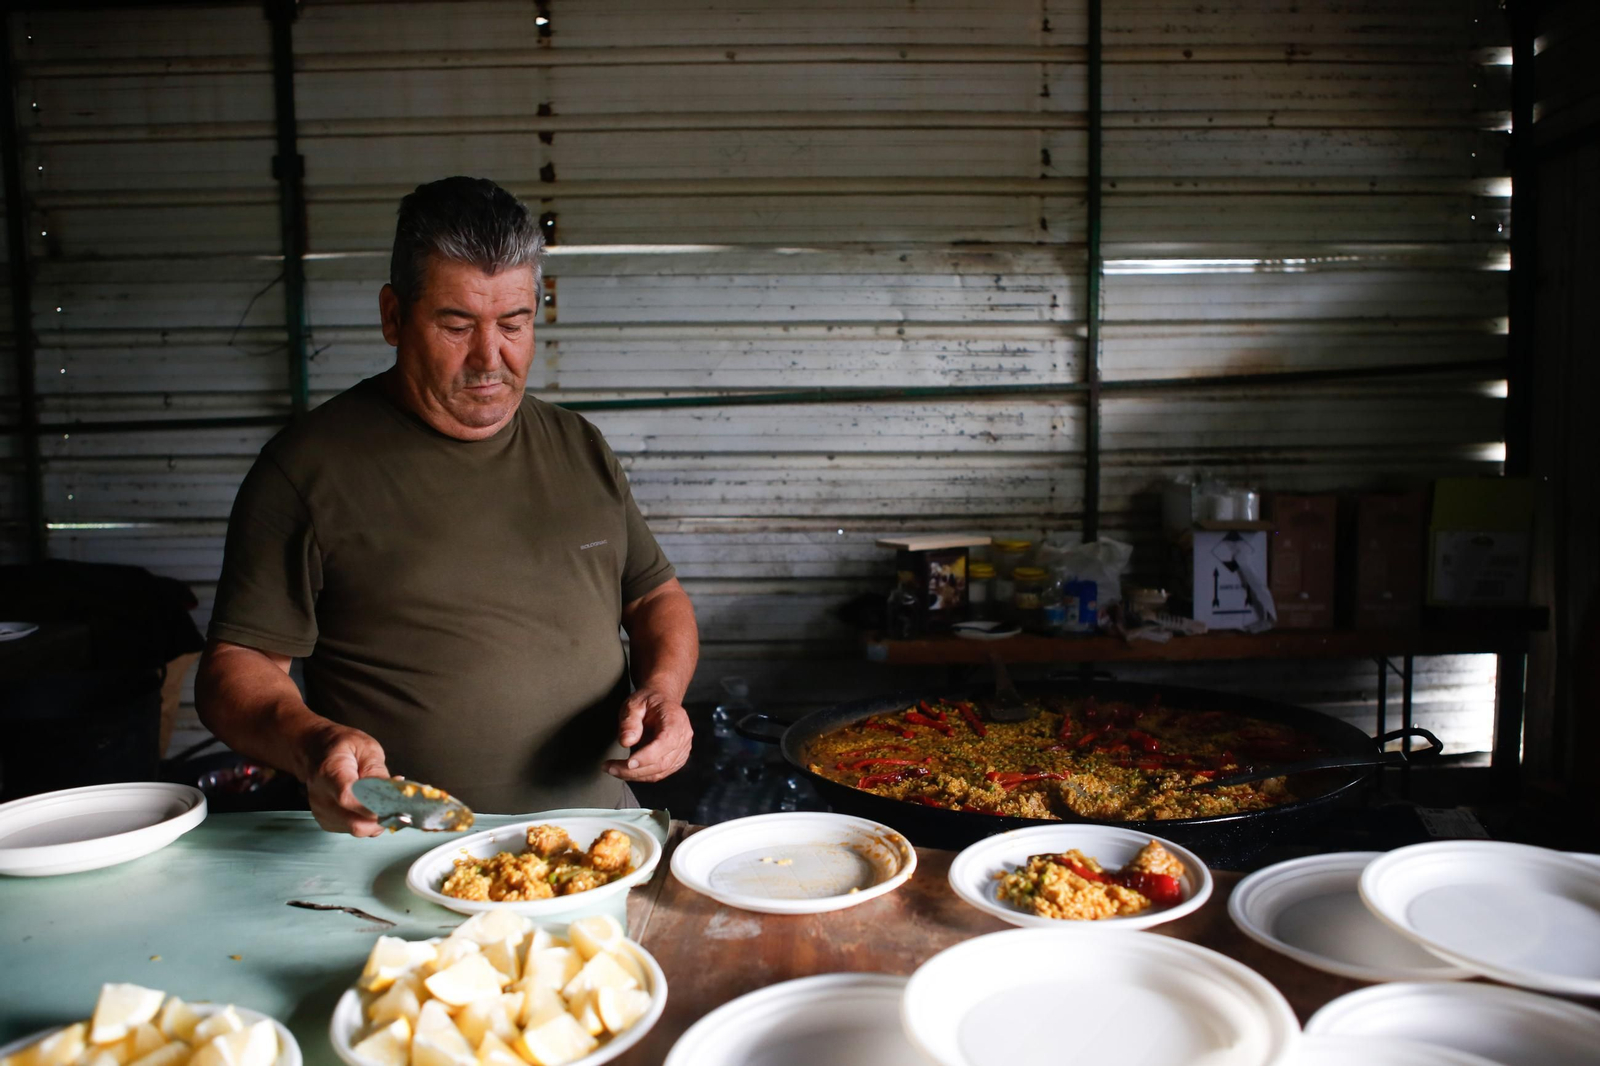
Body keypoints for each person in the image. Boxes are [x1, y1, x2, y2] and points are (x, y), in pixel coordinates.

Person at [196, 176, 698, 835]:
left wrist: (664, 693)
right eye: (457, 325)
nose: (490, 358)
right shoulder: (308, 469)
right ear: (393, 317)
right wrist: (309, 740)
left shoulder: (578, 445)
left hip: (604, 837)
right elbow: (237, 668)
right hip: (407, 856)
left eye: (513, 324)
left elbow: (654, 597)